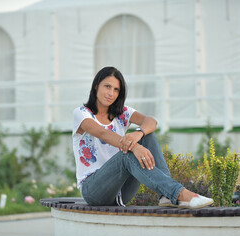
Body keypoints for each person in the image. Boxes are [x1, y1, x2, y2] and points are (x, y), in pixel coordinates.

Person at [72, 66, 213, 209]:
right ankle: (178, 193)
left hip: (122, 191)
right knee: (126, 155)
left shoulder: (122, 113)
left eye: (116, 89)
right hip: (94, 191)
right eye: (107, 86)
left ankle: (166, 195)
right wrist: (136, 146)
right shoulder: (81, 113)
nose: (111, 93)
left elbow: (151, 121)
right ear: (96, 86)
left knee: (147, 134)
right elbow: (103, 133)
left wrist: (138, 133)